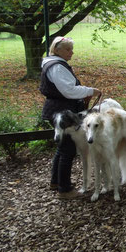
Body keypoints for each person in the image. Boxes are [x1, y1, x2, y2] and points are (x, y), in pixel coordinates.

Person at [40, 37, 101, 199]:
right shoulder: (57, 67)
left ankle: (56, 181)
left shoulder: (53, 64)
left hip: (59, 110)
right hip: (62, 111)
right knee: (68, 150)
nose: (71, 52)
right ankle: (65, 190)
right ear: (57, 50)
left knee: (62, 148)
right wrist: (90, 91)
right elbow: (69, 91)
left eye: (71, 49)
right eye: (68, 49)